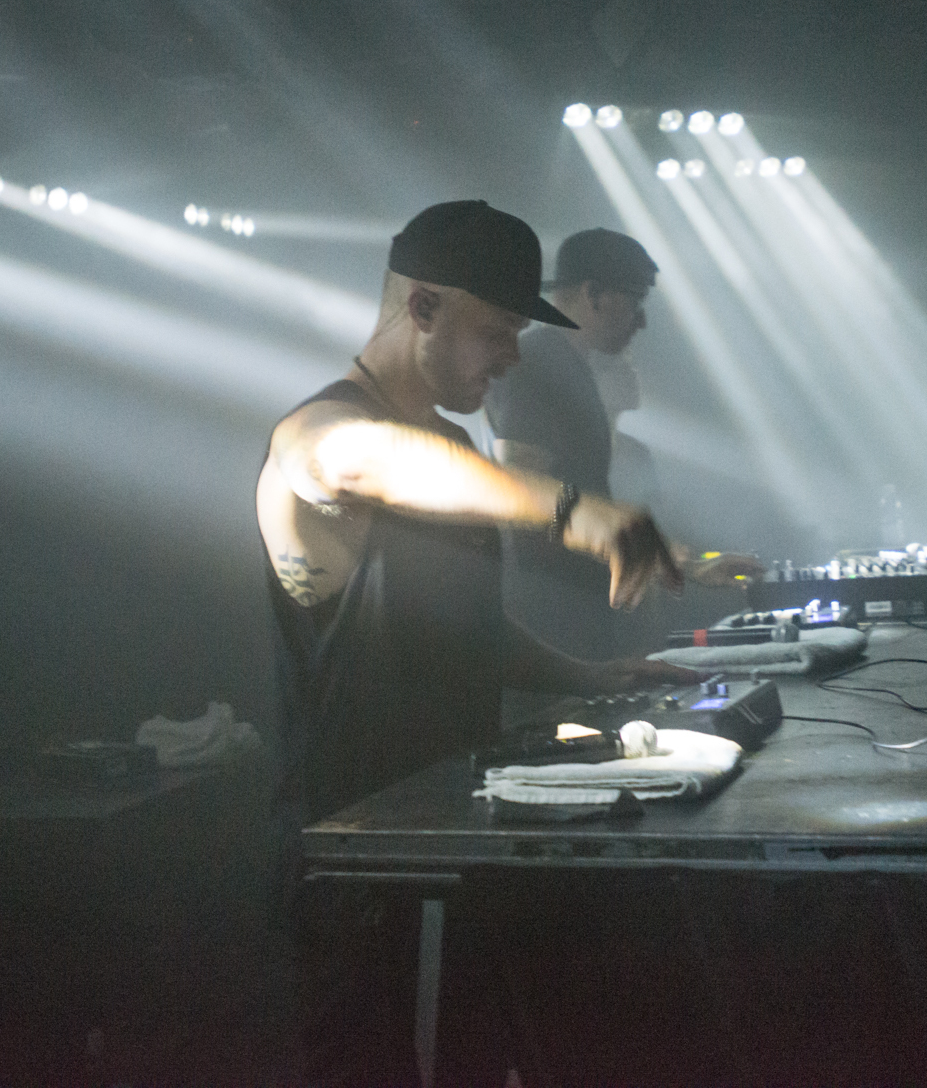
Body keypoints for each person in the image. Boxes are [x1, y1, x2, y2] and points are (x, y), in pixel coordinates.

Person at [256, 201, 696, 825]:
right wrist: (570, 510)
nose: (512, 357)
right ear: (424, 308)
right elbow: (352, 459)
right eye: (499, 331)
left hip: (459, 819)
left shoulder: (453, 449)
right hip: (354, 842)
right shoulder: (317, 426)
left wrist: (587, 676)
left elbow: (464, 628)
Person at [485, 228, 759, 661]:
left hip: (573, 614)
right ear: (593, 294)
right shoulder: (538, 362)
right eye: (635, 301)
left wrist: (683, 564)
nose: (641, 321)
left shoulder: (566, 365)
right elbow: (520, 489)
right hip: (551, 621)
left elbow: (567, 494)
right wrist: (592, 526)